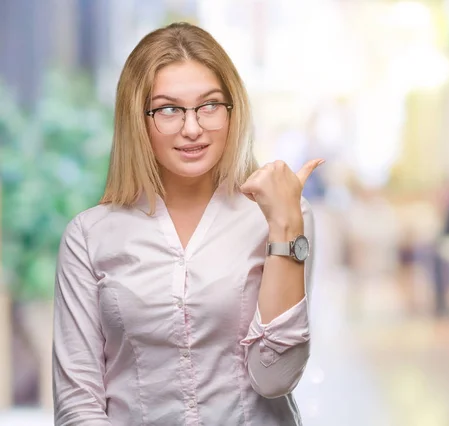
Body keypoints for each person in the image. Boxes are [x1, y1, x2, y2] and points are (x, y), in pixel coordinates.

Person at [52, 22, 323, 426]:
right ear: (137, 119)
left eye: (210, 105)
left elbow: (275, 377)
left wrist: (285, 225)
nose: (193, 128)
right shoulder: (89, 237)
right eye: (168, 109)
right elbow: (78, 403)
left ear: (233, 111)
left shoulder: (281, 215)